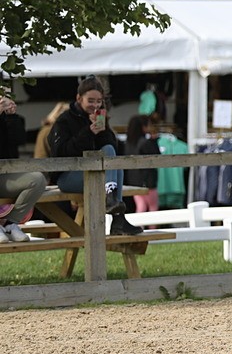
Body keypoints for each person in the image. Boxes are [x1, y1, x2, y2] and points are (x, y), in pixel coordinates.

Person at [48, 76, 143, 236]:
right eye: (90, 101)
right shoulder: (64, 120)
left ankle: (113, 205)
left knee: (113, 159)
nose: (95, 105)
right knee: (114, 168)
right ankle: (117, 215)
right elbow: (62, 152)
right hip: (68, 177)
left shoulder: (100, 117)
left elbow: (112, 148)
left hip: (96, 174)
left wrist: (103, 130)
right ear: (79, 98)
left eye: (99, 101)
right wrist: (88, 132)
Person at [0, 92, 48, 243]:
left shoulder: (5, 115)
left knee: (37, 179)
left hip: (4, 175)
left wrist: (10, 116)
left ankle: (10, 223)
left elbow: (19, 140)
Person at [124, 114, 161, 215]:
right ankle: (152, 229)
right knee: (153, 207)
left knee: (141, 206)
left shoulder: (128, 143)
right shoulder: (146, 143)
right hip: (147, 181)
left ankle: (139, 228)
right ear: (143, 127)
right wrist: (154, 141)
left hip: (134, 181)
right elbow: (157, 157)